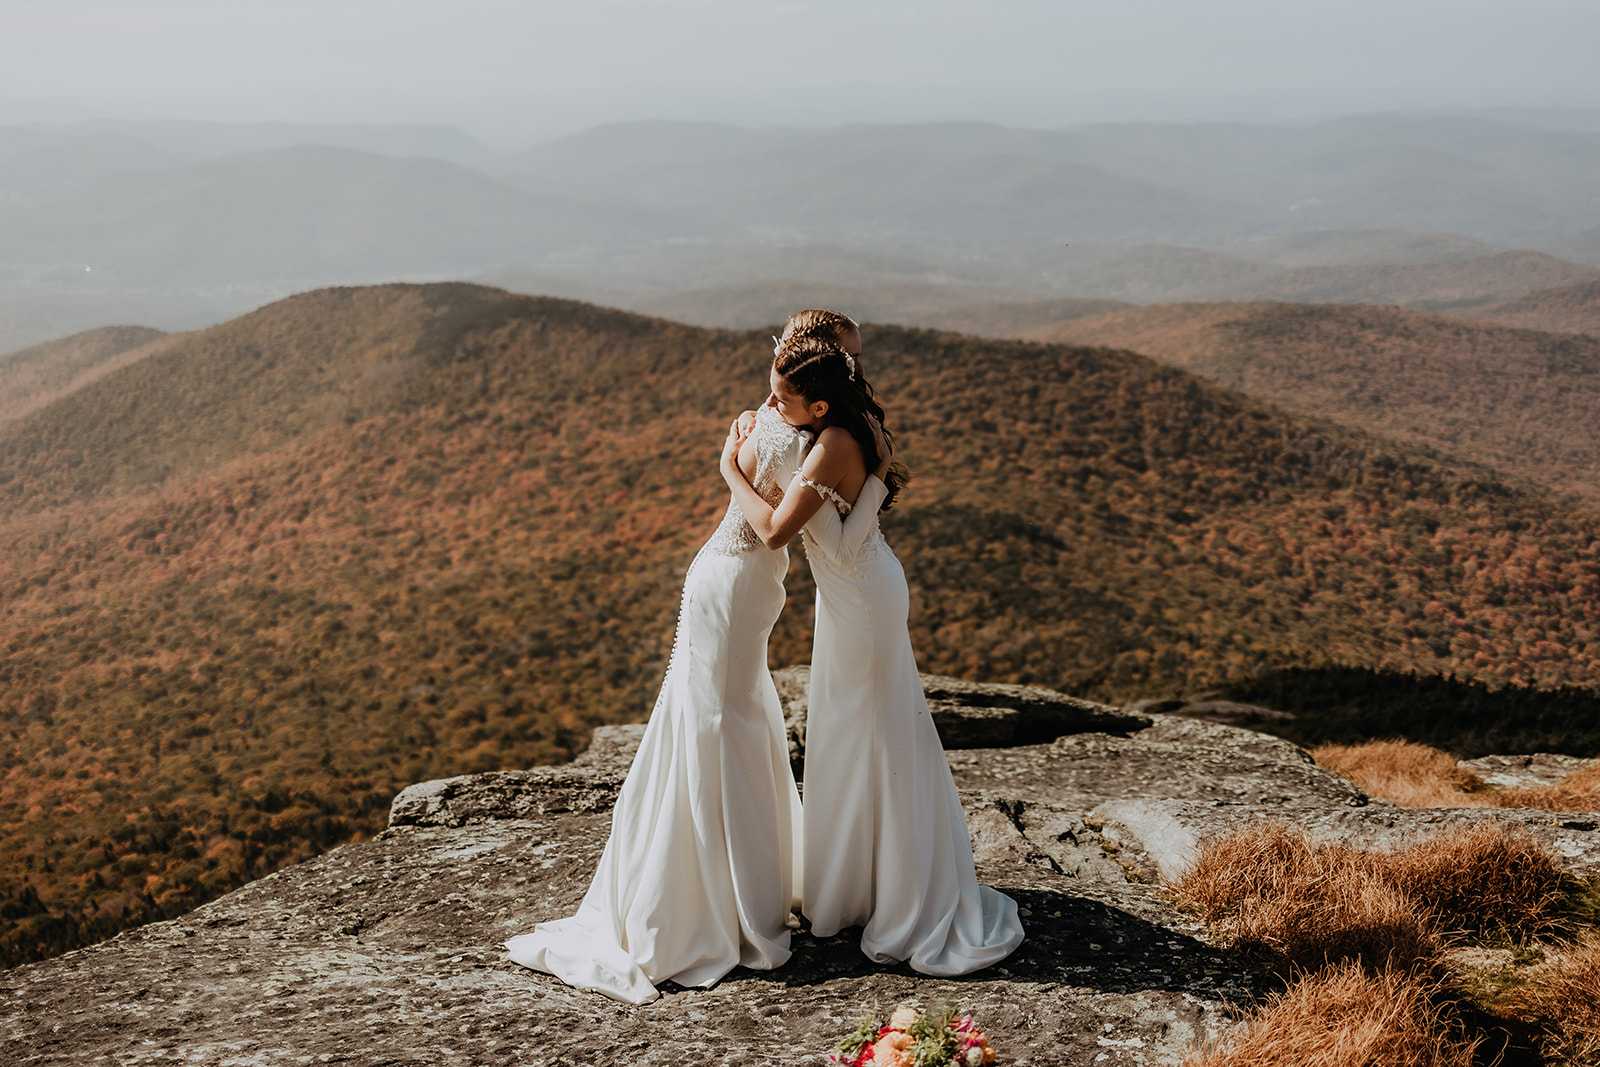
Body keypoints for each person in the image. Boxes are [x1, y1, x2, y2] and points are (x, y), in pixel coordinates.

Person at [721, 324, 1025, 975]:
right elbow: (856, 527)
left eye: (781, 397)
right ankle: (864, 884)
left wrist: (729, 470)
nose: (772, 406)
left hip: (859, 595)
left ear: (819, 403)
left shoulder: (829, 444)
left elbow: (799, 538)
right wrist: (879, 473)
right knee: (858, 732)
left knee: (873, 735)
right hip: (860, 589)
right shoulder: (842, 430)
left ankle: (894, 892)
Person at [503, 388, 810, 1005]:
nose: (772, 393)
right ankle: (707, 899)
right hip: (734, 574)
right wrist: (730, 467)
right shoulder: (792, 426)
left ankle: (740, 885)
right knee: (718, 722)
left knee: (735, 716)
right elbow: (773, 527)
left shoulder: (782, 418)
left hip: (739, 579)